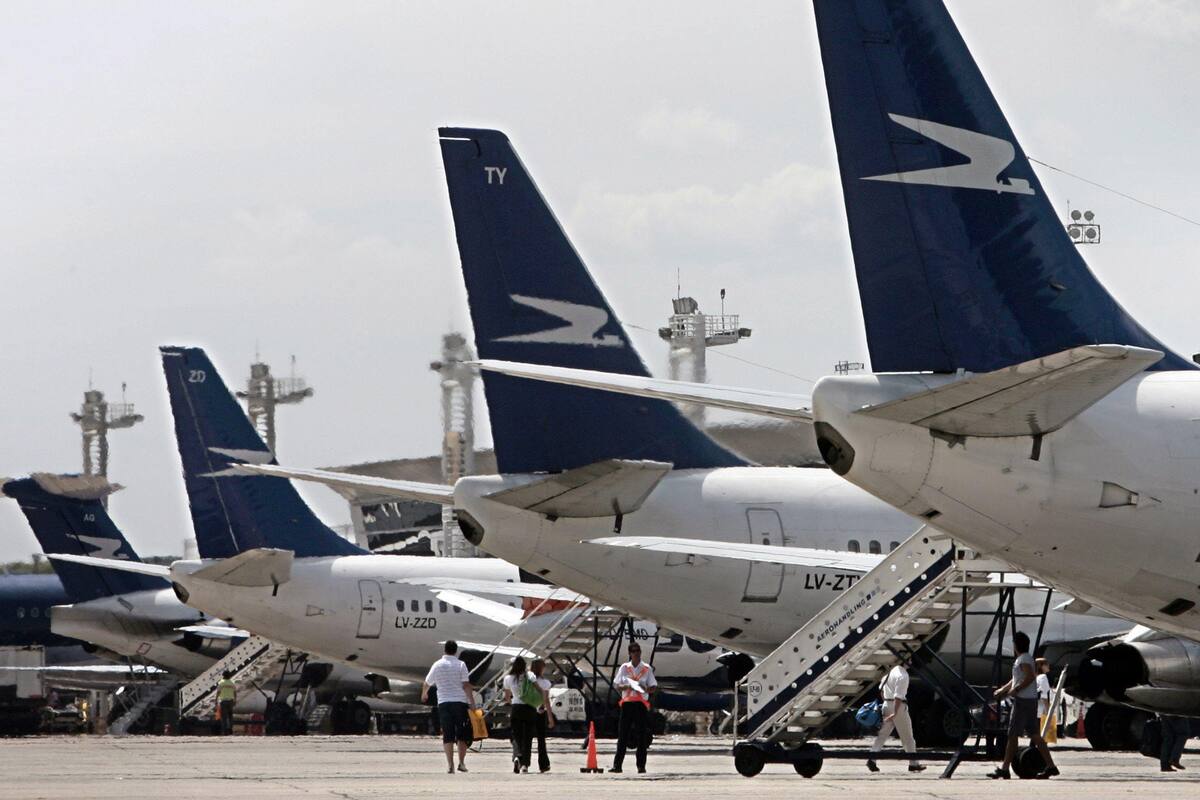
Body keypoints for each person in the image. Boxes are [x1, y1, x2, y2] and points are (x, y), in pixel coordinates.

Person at [988, 631, 1058, 779]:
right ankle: (1051, 766)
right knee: (1035, 735)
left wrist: (1016, 690)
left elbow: (1030, 677)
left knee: (1012, 735)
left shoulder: (1023, 659)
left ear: (1015, 645)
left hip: (1022, 701)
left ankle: (1005, 769)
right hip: (1030, 701)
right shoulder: (1024, 658)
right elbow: (1016, 678)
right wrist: (1004, 689)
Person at [421, 640, 476, 774]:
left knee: (448, 734)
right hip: (459, 702)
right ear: (456, 651)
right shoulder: (461, 664)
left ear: (444, 650)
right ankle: (461, 763)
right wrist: (472, 702)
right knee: (461, 734)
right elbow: (466, 685)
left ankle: (450, 764)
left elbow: (427, 682)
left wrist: (424, 694)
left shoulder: (437, 665)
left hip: (444, 703)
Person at [866, 656, 924, 773]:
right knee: (908, 737)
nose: (911, 662)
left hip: (887, 704)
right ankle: (913, 763)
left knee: (882, 735)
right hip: (897, 707)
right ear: (905, 661)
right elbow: (898, 696)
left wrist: (886, 703)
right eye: (909, 660)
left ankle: (872, 759)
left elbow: (881, 689)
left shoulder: (889, 672)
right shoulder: (903, 675)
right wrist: (895, 712)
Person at [612, 642, 657, 774]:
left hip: (640, 704)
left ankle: (641, 766)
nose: (636, 653)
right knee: (623, 735)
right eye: (634, 651)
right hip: (627, 703)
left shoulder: (646, 668)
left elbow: (653, 687)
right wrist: (626, 687)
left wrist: (646, 689)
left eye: (638, 651)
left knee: (641, 736)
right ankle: (617, 765)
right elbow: (617, 685)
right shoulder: (625, 668)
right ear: (630, 653)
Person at [502, 656, 541, 774]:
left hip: (516, 707)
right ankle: (525, 765)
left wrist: (512, 701)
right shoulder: (530, 676)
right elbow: (538, 689)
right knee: (528, 737)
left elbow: (507, 697)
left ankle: (518, 756)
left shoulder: (508, 678)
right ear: (525, 666)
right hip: (529, 707)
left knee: (516, 735)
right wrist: (539, 703)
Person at [531, 658, 555, 773]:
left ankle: (523, 760)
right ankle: (543, 764)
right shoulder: (545, 683)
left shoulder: (527, 680)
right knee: (541, 740)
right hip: (540, 712)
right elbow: (546, 701)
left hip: (527, 711)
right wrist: (550, 717)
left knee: (526, 738)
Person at [1035, 658, 1057, 745]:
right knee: (1043, 735)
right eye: (1046, 664)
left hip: (1037, 710)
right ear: (1041, 666)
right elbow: (1044, 695)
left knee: (1037, 733)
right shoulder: (1043, 677)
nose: (1048, 666)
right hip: (1043, 711)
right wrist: (1048, 712)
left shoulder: (1036, 677)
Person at [216, 670, 236, 735]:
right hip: (231, 701)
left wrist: (216, 699)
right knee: (230, 716)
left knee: (224, 717)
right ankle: (230, 729)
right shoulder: (232, 683)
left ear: (223, 676)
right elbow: (235, 692)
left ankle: (225, 731)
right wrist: (235, 700)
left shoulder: (221, 683)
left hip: (223, 701)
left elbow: (218, 692)